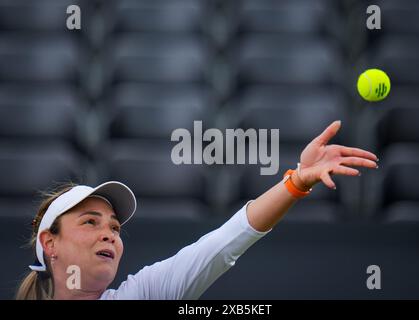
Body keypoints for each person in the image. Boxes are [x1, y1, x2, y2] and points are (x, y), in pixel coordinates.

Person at [16, 120, 378, 300]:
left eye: (114, 226)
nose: (109, 232)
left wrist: (297, 180)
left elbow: (225, 242)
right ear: (50, 243)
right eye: (90, 221)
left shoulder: (141, 294)